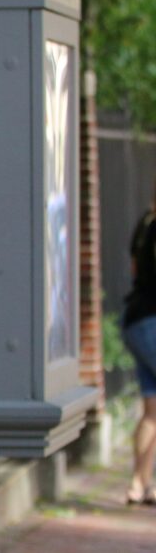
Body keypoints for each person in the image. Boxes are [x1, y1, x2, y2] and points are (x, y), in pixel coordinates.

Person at [123, 195, 156, 506]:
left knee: (152, 411)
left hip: (136, 318)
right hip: (152, 322)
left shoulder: (145, 224)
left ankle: (140, 484)